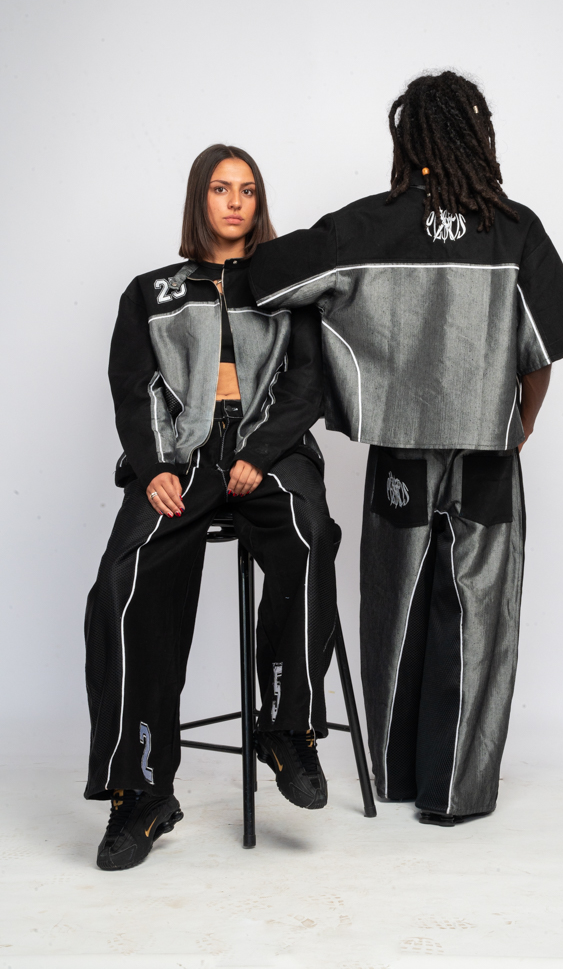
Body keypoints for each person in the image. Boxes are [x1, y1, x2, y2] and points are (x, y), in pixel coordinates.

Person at [249, 72, 563, 826]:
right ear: (479, 136)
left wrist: (347, 358)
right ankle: (454, 795)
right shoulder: (515, 228)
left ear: (406, 140)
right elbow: (541, 356)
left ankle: (394, 775)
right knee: (478, 615)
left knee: (393, 608)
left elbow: (264, 283)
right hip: (487, 453)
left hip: (401, 450)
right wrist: (522, 423)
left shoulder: (370, 224)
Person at [85, 144, 340, 871]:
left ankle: (285, 727)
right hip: (181, 456)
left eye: (248, 191)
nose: (235, 202)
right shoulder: (151, 291)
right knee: (124, 578)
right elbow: (133, 387)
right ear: (200, 198)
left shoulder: (287, 287)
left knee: (309, 533)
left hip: (269, 450)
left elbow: (308, 381)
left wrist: (261, 451)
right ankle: (140, 791)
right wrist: (153, 467)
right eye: (222, 189)